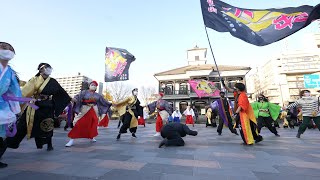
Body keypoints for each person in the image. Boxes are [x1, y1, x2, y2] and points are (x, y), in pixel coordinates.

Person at [6, 63, 71, 151]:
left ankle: (49, 143)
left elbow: (61, 92)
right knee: (23, 124)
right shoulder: (34, 80)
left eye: (49, 68)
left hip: (48, 106)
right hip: (35, 105)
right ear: (40, 70)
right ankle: (12, 143)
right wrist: (27, 99)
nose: (48, 69)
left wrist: (70, 99)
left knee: (47, 125)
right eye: (46, 68)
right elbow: (25, 92)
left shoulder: (53, 81)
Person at [65, 81, 112, 147]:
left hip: (94, 109)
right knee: (79, 123)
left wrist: (111, 103)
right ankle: (72, 140)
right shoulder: (83, 92)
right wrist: (74, 99)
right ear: (89, 86)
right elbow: (77, 97)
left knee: (94, 123)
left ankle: (92, 136)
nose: (93, 86)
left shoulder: (98, 95)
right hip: (84, 109)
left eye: (95, 85)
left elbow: (103, 101)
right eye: (92, 85)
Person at [0, 42, 22, 168]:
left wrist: (15, 108)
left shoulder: (10, 72)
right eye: (4, 48)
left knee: (1, 134)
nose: (7, 51)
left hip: (2, 105)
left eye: (10, 49)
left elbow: (14, 91)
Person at [222, 81, 263, 145]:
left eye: (235, 87)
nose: (234, 88)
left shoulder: (242, 95)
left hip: (244, 114)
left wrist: (235, 113)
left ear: (238, 88)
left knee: (244, 127)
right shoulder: (238, 93)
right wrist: (223, 85)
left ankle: (248, 140)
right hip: (242, 113)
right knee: (250, 126)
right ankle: (256, 138)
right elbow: (229, 89)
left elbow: (241, 106)